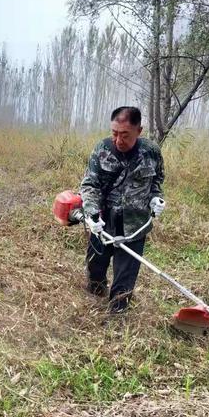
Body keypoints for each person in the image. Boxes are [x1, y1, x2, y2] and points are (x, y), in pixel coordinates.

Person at [80, 106, 165, 315]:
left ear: (139, 130)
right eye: (115, 133)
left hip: (134, 225)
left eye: (125, 135)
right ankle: (94, 298)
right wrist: (91, 214)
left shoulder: (152, 152)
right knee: (95, 268)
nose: (118, 140)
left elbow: (157, 181)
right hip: (103, 222)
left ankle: (117, 317)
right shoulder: (102, 150)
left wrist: (156, 199)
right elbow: (90, 185)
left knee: (125, 278)